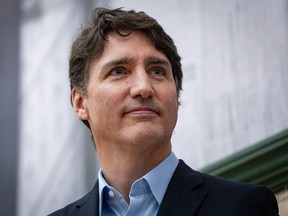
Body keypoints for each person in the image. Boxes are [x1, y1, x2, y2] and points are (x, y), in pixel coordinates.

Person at [49, 7, 279, 216]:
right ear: (80, 103)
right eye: (119, 71)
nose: (144, 88)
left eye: (157, 71)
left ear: (176, 96)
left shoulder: (244, 206)